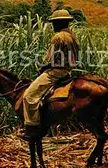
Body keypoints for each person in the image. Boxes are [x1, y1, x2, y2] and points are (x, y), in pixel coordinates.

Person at [23, 9, 79, 139]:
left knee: (29, 96)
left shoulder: (58, 37)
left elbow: (50, 59)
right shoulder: (72, 36)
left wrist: (42, 67)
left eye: (54, 23)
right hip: (67, 71)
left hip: (56, 72)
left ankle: (32, 128)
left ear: (59, 23)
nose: (53, 25)